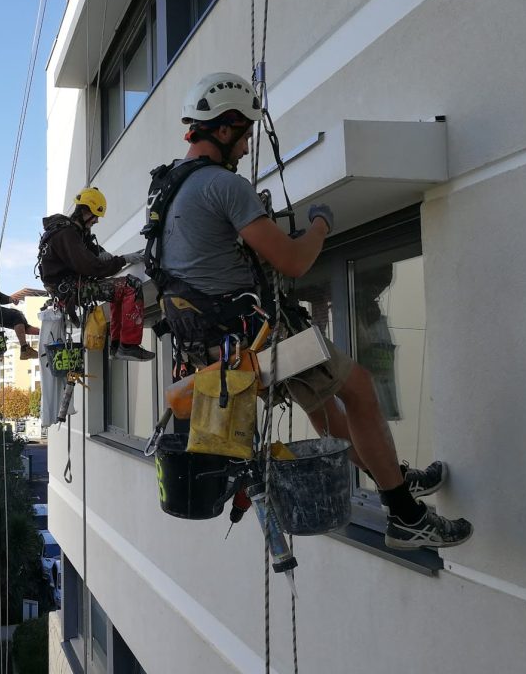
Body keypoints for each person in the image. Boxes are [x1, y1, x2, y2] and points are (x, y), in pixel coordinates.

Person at [157, 72, 473, 549]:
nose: (245, 149)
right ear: (224, 129)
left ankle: (394, 477)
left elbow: (207, 267)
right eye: (244, 137)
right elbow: (295, 260)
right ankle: (406, 515)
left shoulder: (166, 192)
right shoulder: (222, 186)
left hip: (216, 347)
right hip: (256, 341)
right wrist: (321, 224)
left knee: (323, 407)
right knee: (361, 390)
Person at [37, 188, 155, 362]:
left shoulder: (72, 232)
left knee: (119, 293)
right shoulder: (66, 234)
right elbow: (92, 267)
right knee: (131, 285)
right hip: (72, 289)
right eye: (95, 216)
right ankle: (128, 346)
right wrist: (123, 260)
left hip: (68, 288)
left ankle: (117, 345)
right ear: (85, 211)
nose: (96, 221)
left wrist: (102, 253)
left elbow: (90, 252)